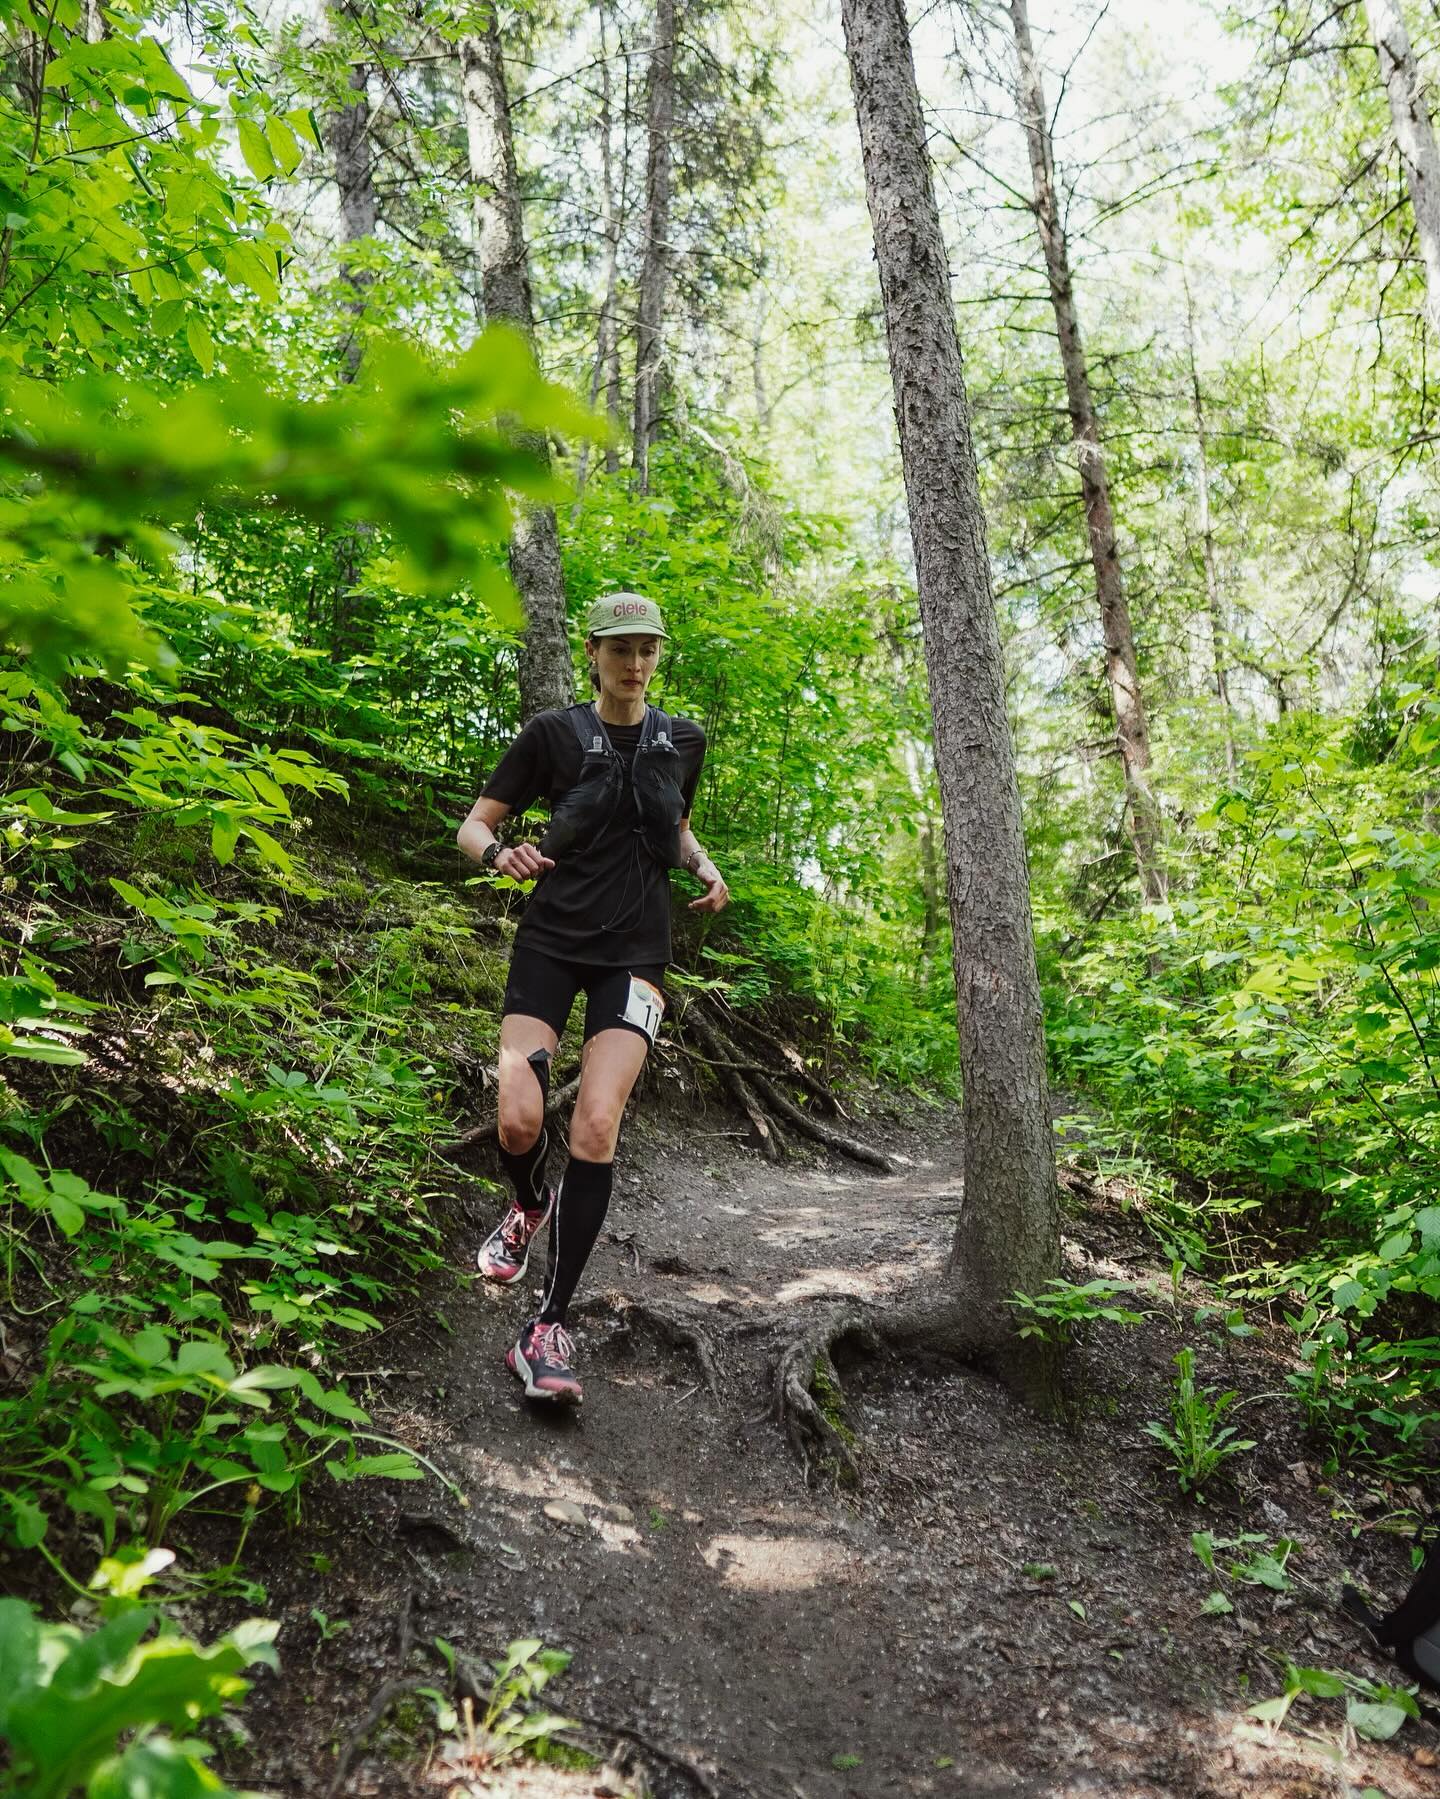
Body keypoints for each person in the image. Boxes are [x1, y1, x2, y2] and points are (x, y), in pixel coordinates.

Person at [457, 592, 729, 1404]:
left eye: (647, 649)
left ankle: (546, 1325)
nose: (636, 664)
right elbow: (472, 825)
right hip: (549, 941)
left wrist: (703, 865)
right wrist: (499, 855)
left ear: (658, 654)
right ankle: (526, 1202)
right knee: (517, 1118)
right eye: (621, 650)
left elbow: (670, 824)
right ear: (594, 652)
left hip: (637, 953)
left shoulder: (683, 739)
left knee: (597, 1122)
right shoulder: (552, 734)